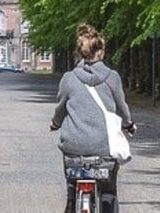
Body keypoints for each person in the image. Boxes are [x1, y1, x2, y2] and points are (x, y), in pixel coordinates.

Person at [50, 23, 135, 212]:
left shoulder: (69, 78)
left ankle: (73, 203)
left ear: (80, 53)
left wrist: (55, 123)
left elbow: (61, 109)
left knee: (72, 193)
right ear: (101, 52)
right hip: (103, 150)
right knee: (108, 193)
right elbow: (122, 108)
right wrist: (129, 125)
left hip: (73, 149)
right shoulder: (112, 77)